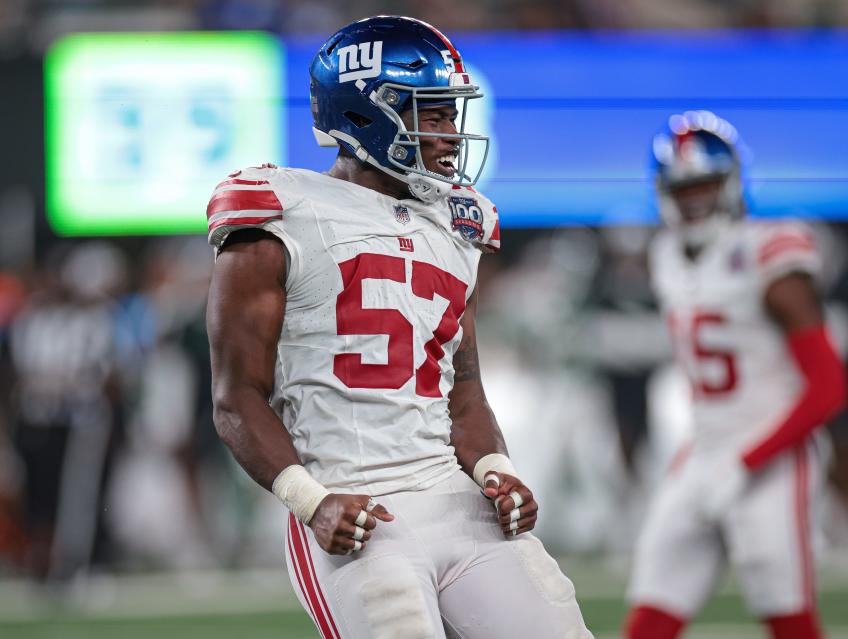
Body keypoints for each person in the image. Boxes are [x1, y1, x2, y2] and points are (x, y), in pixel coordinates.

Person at [205, 16, 591, 639]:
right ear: (362, 114)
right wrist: (311, 500)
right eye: (429, 115)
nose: (449, 134)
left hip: (451, 495)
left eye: (450, 115)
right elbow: (234, 399)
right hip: (354, 506)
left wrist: (496, 467)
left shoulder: (457, 223)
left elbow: (462, 391)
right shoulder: (277, 215)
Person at [623, 111, 848, 639]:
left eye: (705, 184)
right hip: (703, 451)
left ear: (730, 183)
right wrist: (713, 458)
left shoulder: (767, 251)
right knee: (652, 602)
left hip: (774, 456)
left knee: (787, 613)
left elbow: (830, 388)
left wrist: (746, 461)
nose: (695, 198)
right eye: (683, 187)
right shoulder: (665, 258)